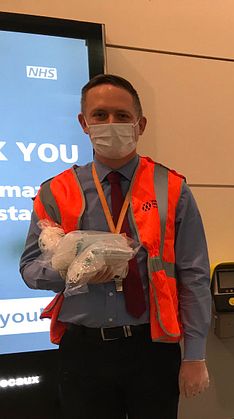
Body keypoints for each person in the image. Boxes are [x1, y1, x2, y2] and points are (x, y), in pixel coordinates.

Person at [19, 74, 211, 418]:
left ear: (140, 124)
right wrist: (69, 270)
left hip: (152, 348)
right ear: (84, 123)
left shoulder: (172, 189)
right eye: (100, 115)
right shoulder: (55, 191)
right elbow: (30, 269)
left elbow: (194, 276)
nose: (111, 124)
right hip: (83, 350)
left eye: (122, 116)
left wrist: (195, 355)